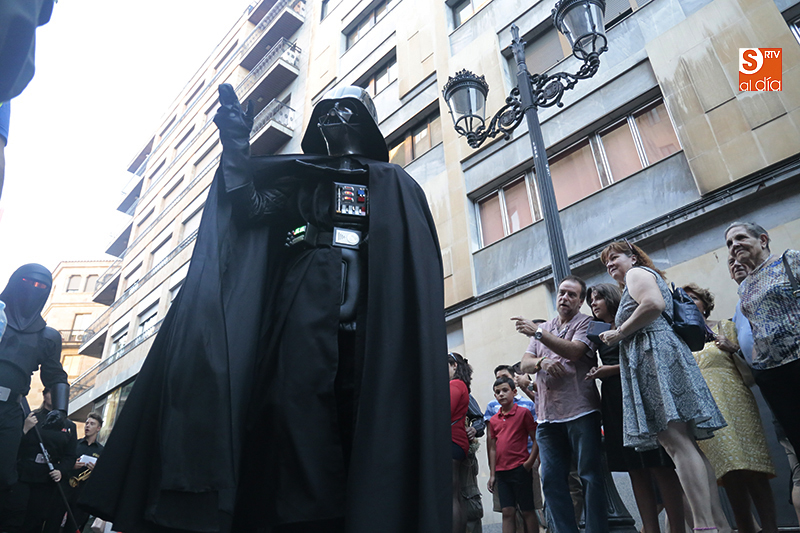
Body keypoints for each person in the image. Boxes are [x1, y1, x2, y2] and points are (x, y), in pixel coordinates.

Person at [80, 84, 450, 533]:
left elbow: (410, 263)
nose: (334, 117)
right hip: (300, 320)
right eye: (326, 110)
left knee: (364, 427)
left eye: (346, 109)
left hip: (371, 329)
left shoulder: (395, 184)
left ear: (366, 121)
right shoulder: (301, 178)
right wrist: (236, 147)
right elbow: (251, 207)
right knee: (293, 423)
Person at [597, 241, 728, 532]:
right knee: (685, 443)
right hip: (660, 352)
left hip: (653, 355)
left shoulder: (636, 274)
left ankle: (704, 526)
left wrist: (619, 331)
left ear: (632, 257)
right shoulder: (642, 276)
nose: (609, 264)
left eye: (613, 257)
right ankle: (716, 522)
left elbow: (653, 305)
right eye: (605, 261)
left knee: (675, 443)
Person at [585, 283, 684, 533]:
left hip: (638, 390)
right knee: (633, 467)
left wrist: (611, 370)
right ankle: (650, 528)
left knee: (657, 461)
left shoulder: (630, 318)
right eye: (591, 300)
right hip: (612, 397)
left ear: (611, 298)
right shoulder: (595, 328)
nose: (594, 304)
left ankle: (677, 527)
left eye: (598, 298)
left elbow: (643, 355)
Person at [681, 283, 777, 533]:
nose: (689, 303)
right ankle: (746, 527)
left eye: (693, 298)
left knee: (754, 467)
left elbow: (751, 363)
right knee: (729, 470)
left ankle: (770, 528)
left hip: (737, 402)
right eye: (684, 300)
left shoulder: (725, 327)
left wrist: (731, 347)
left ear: (704, 303)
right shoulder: (680, 340)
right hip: (706, 410)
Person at [515, 275, 608, 533]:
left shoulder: (586, 323)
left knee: (590, 476)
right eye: (561, 293)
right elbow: (524, 362)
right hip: (547, 416)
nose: (564, 297)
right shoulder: (545, 327)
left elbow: (575, 351)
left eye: (571, 295)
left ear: (580, 302)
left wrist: (537, 333)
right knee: (551, 481)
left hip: (581, 411)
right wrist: (540, 363)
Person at [729, 255, 800, 525]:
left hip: (789, 370)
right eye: (730, 261)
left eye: (739, 259)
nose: (735, 261)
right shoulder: (739, 306)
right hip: (770, 383)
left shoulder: (782, 273)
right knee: (793, 453)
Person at [0, 264, 69, 532]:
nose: (34, 290)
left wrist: (61, 410)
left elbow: (55, 375)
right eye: (29, 282)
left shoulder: (47, 337)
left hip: (9, 411)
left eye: (42, 287)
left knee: (5, 475)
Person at [725, 222, 800, 455]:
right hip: (772, 375)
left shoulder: (790, 260)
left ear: (763, 240)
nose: (734, 245)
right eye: (729, 243)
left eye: (740, 238)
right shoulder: (744, 286)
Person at [18, 388, 77, 533]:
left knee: (36, 520)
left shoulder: (68, 426)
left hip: (47, 479)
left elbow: (70, 456)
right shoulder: (31, 417)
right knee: (15, 515)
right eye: (52, 392)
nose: (55, 396)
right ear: (45, 395)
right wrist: (25, 429)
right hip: (23, 475)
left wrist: (61, 471)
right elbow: (13, 444)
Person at [487, 376, 539, 533]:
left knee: (527, 509)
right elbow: (493, 447)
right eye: (497, 392)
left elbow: (536, 438)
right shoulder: (494, 419)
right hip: (502, 472)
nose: (501, 394)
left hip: (520, 468)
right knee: (507, 511)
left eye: (505, 390)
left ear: (514, 392)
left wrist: (529, 462)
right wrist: (492, 474)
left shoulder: (523, 413)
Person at [50, 413, 104, 533]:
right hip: (65, 488)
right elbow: (63, 462)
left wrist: (96, 471)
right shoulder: (74, 444)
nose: (88, 426)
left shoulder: (102, 451)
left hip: (82, 493)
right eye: (87, 423)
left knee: (74, 526)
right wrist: (71, 466)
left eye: (92, 424)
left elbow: (104, 476)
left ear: (98, 428)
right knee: (54, 521)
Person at [450, 352, 471, 533]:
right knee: (455, 494)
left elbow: (444, 412)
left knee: (451, 496)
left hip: (451, 442)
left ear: (454, 366)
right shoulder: (462, 385)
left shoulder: (455, 384)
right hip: (457, 442)